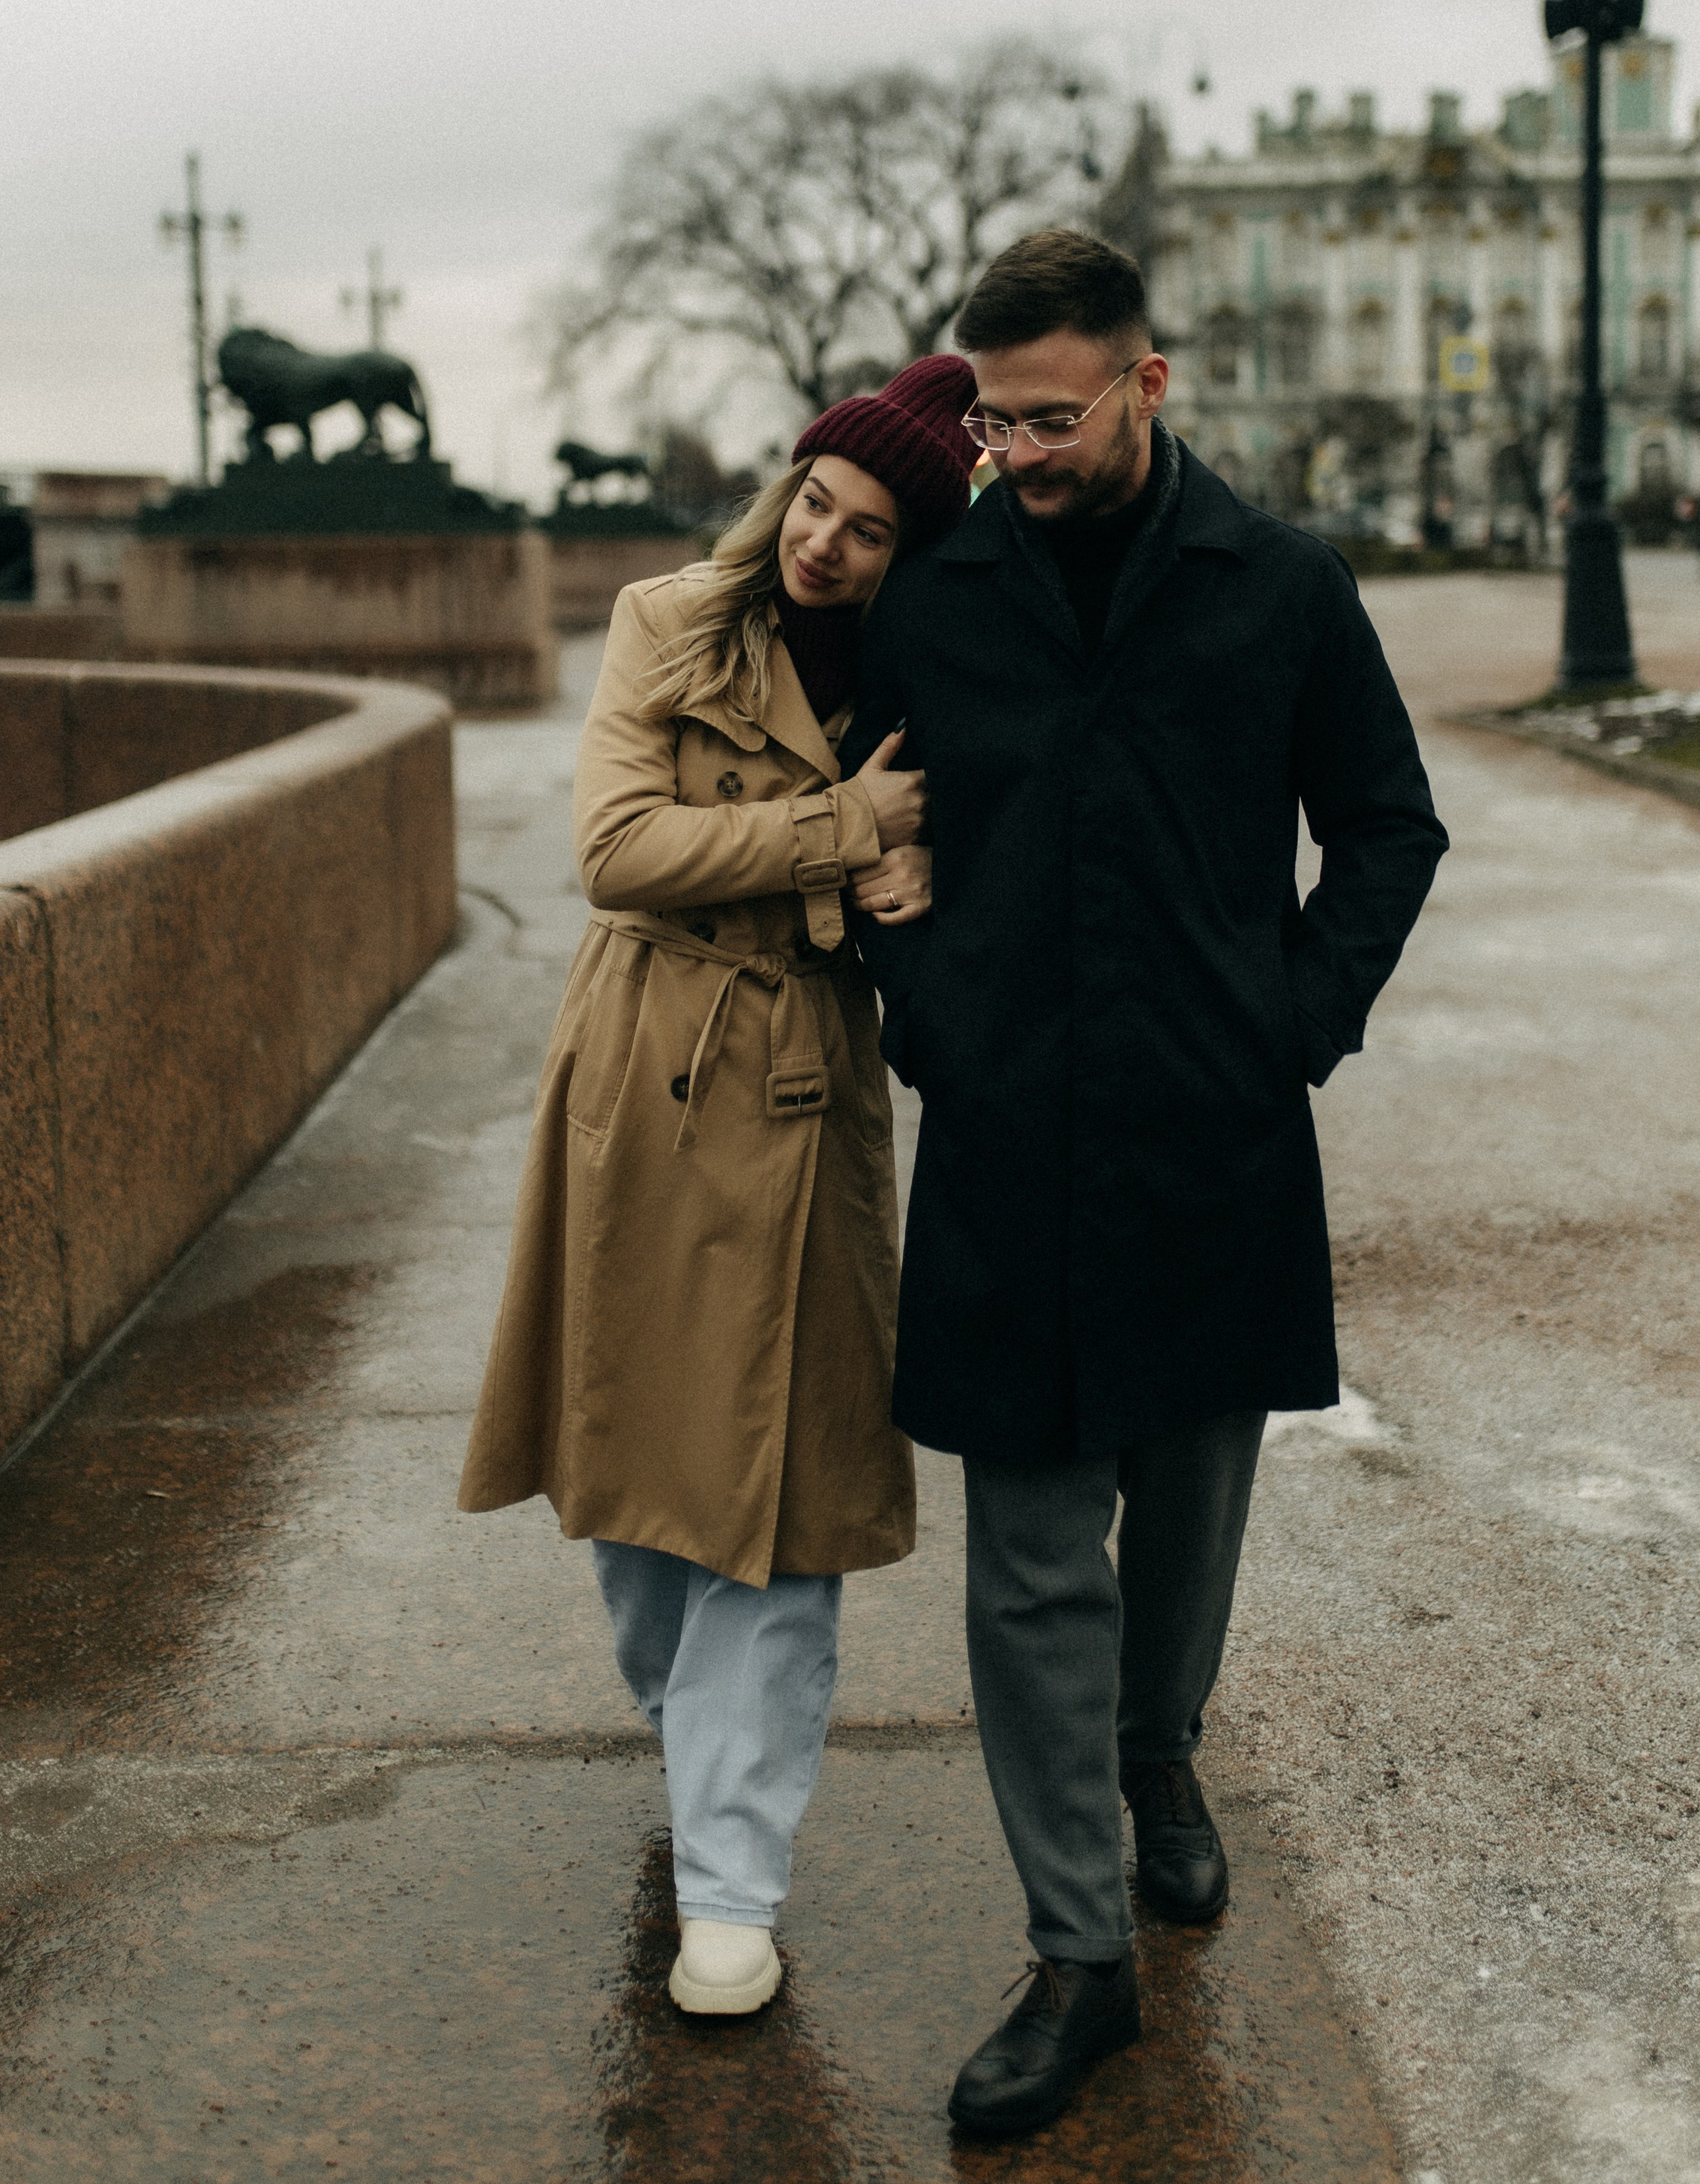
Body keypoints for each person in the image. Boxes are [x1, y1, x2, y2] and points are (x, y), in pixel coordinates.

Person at [843, 232, 1447, 2139]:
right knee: (1027, 1561)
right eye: (991, 417)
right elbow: (868, 800)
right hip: (1008, 1135)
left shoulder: (1276, 587)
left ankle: (1159, 1754)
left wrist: (1291, 1023)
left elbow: (1383, 825)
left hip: (1211, 1137)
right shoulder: (932, 597)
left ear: (1145, 384)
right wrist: (923, 1004)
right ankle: (1078, 1954)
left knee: (1182, 1518)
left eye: (1047, 415)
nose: (1012, 448)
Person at [458, 356, 979, 2017]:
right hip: (644, 1071)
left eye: (871, 529)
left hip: (806, 1088)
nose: (825, 544)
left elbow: (952, 864)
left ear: (915, 554)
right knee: (631, 1485)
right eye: (817, 500)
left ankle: (732, 1881)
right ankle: (695, 1738)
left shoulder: (936, 681)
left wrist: (914, 871)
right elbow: (614, 851)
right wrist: (838, 833)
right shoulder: (666, 620)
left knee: (778, 1508)